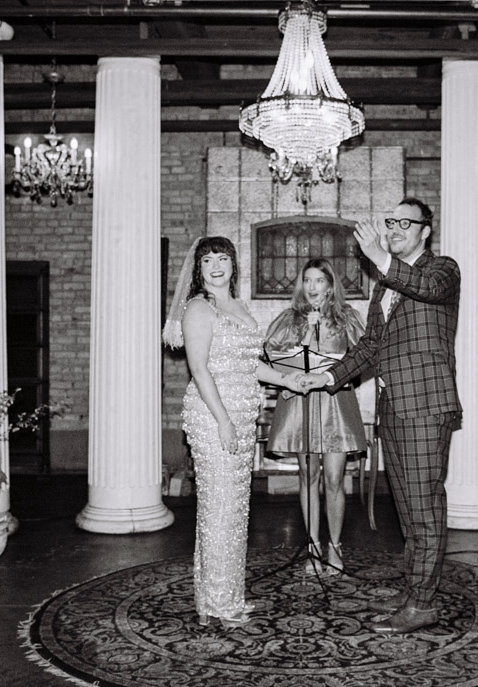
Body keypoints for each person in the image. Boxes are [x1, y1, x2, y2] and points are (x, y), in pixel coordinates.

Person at [302, 197, 462, 634]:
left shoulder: (442, 270)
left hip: (427, 407)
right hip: (394, 410)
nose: (394, 228)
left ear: (425, 230)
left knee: (424, 508)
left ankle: (423, 604)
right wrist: (327, 377)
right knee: (409, 511)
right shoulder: (384, 286)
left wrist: (382, 259)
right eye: (389, 222)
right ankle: (415, 593)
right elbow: (371, 347)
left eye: (404, 223)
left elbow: (424, 289)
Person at [162, 236, 303, 630]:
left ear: (233, 264)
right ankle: (221, 604)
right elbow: (201, 369)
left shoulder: (238, 306)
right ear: (199, 269)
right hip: (213, 417)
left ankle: (219, 598)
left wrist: (289, 380)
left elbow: (249, 364)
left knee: (232, 511)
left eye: (223, 258)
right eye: (208, 260)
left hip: (242, 416)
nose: (217, 265)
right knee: (220, 511)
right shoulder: (198, 308)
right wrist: (223, 420)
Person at [263, 258, 367, 576]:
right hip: (301, 403)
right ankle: (313, 547)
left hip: (334, 403)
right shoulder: (290, 319)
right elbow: (271, 357)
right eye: (307, 280)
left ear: (330, 284)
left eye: (319, 281)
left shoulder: (347, 318)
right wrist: (307, 332)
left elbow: (364, 356)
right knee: (308, 477)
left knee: (334, 479)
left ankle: (335, 547)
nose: (312, 287)